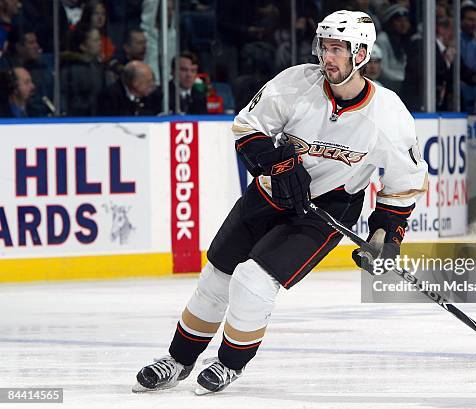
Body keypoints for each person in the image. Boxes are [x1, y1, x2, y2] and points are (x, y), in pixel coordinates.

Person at [132, 10, 427, 395]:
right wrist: (278, 164)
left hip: (324, 213)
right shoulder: (296, 83)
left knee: (253, 281)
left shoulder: (388, 116)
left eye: (338, 48)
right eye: (325, 46)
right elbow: (247, 127)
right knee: (216, 279)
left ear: (361, 54)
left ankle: (228, 363)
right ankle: (179, 359)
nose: (328, 57)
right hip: (268, 195)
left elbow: (402, 185)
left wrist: (386, 238)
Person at [60, 26, 108, 116]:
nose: (100, 43)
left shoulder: (99, 66)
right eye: (95, 40)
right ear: (83, 46)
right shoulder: (74, 70)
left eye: (99, 39)